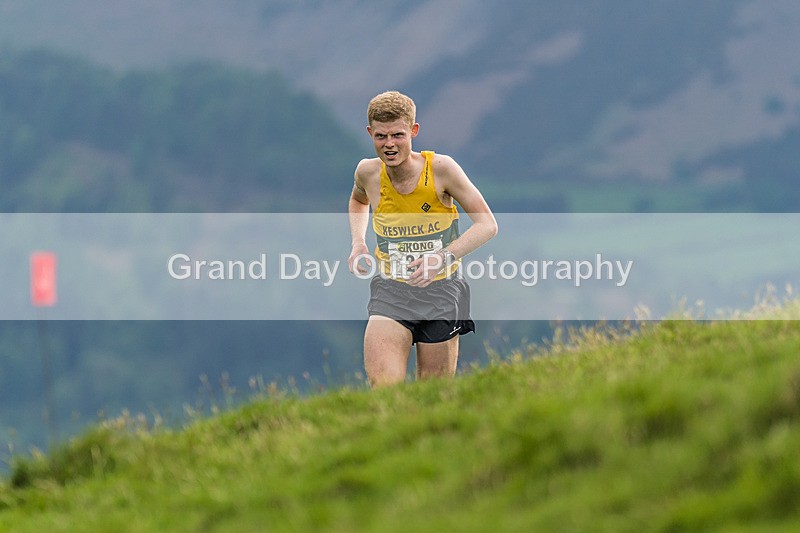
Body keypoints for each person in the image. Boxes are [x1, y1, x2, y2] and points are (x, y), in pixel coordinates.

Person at [348, 90, 498, 387]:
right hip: (391, 292)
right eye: (381, 136)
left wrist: (442, 258)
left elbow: (487, 224)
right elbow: (358, 201)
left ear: (413, 131)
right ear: (370, 133)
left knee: (433, 394)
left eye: (398, 135)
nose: (389, 145)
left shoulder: (442, 170)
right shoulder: (367, 173)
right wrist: (358, 242)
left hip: (441, 293)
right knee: (385, 389)